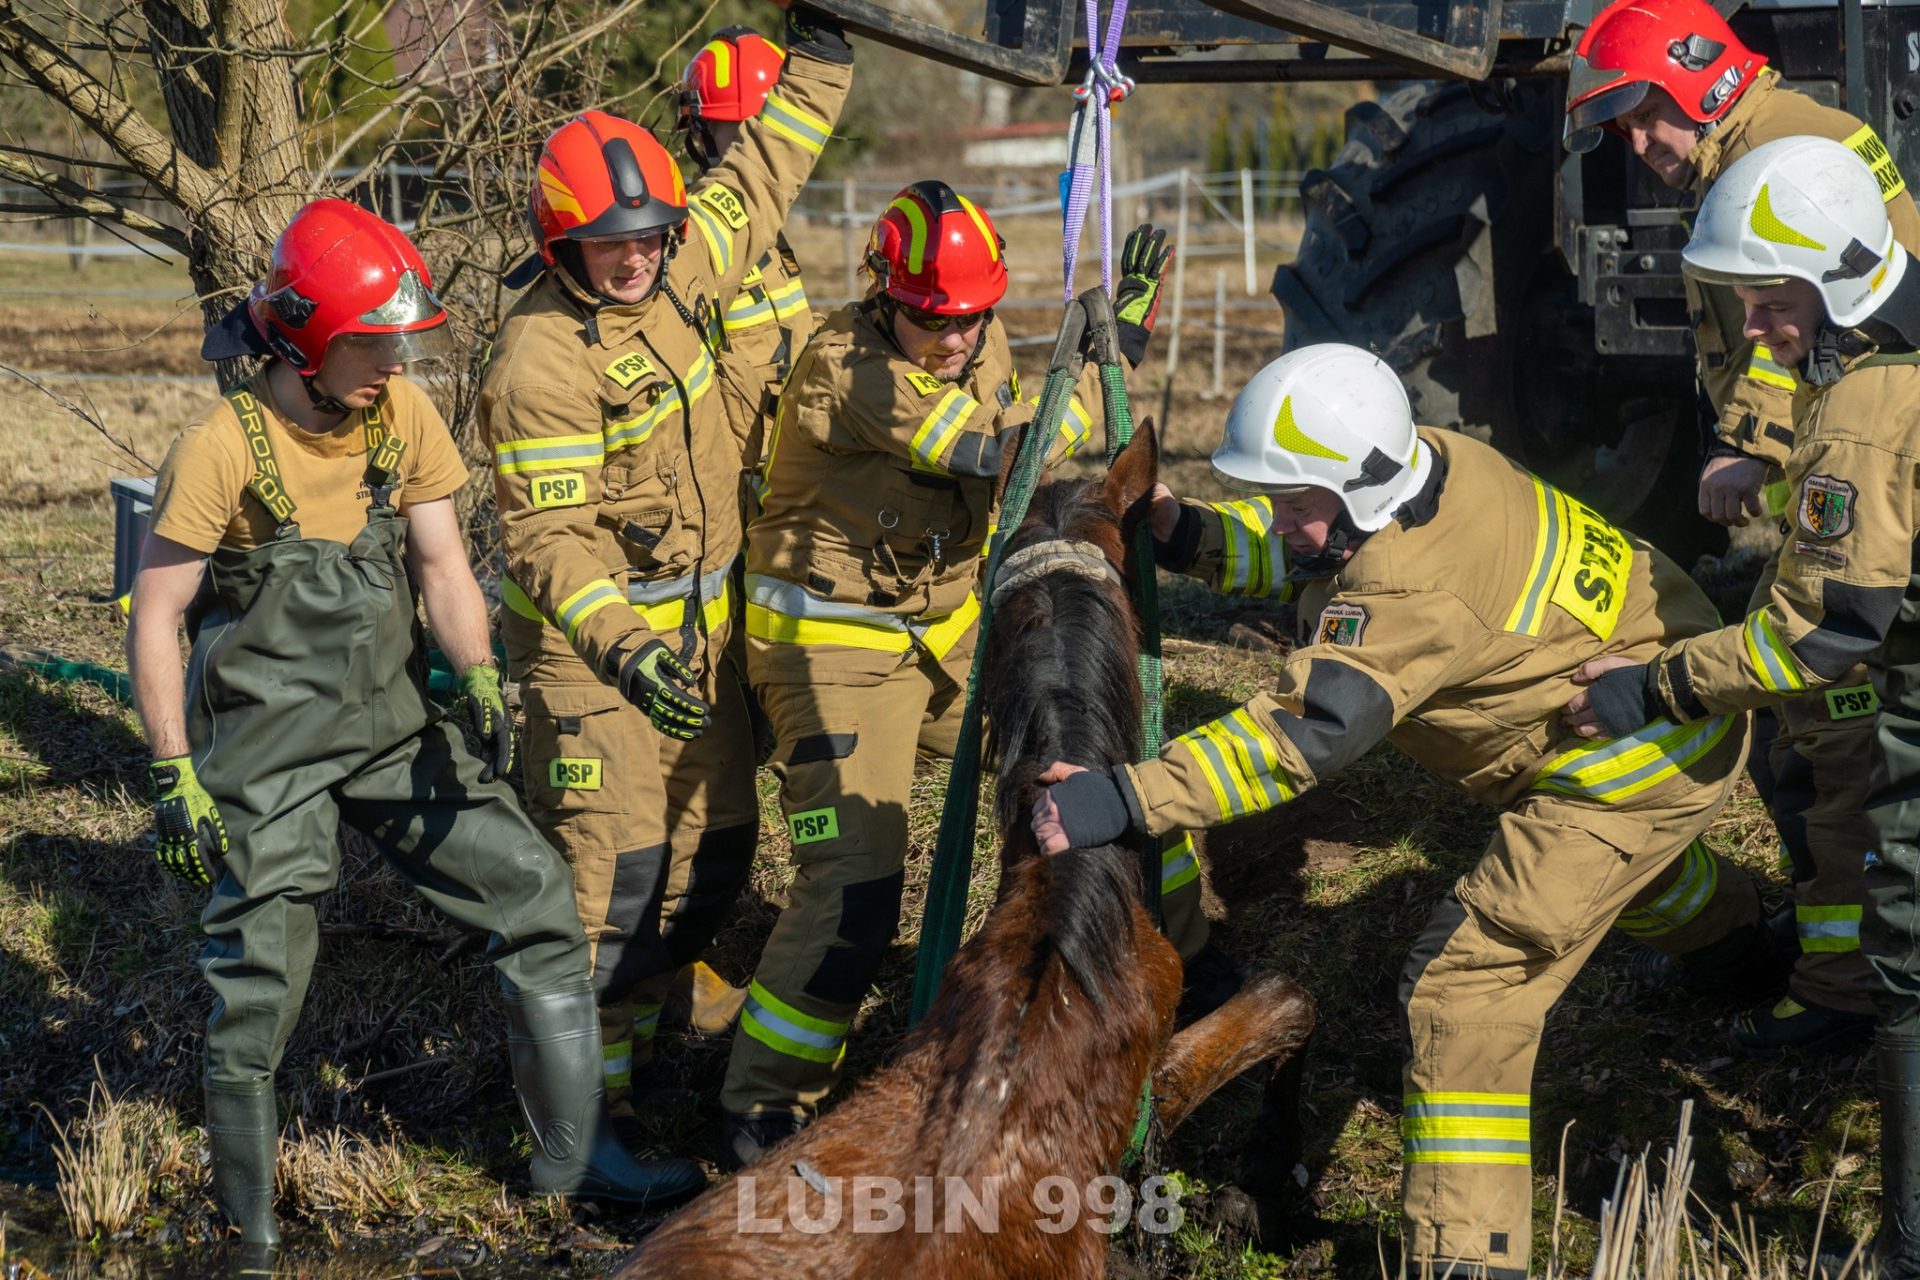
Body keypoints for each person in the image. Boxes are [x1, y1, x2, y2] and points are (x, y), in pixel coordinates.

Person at [1028, 343, 1780, 1280]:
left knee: (1464, 990)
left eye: (1294, 503)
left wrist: (1125, 795)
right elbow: (1325, 560)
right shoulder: (1426, 460)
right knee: (1626, 873)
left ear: (1360, 492)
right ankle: (1743, 950)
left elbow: (1302, 734)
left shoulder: (1418, 588)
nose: (1281, 519)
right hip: (1650, 691)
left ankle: (1468, 1255)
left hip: (1629, 760)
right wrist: (1191, 535)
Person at [127, 200, 703, 1246]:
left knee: (531, 890)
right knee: (260, 986)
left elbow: (441, 565)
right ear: (304, 341)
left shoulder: (402, 415)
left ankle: (575, 1172)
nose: (395, 361)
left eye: (401, 341)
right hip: (266, 757)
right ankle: (248, 1237)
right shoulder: (220, 446)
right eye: (372, 342)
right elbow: (159, 614)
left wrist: (478, 677)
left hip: (394, 730)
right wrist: (175, 768)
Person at [720, 179, 1179, 1170]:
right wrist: (1107, 364)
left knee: (1062, 783)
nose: (958, 340)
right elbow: (996, 452)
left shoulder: (983, 338)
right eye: (934, 320)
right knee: (855, 883)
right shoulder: (847, 365)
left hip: (946, 631)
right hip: (833, 646)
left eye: (974, 317)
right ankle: (760, 1103)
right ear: (885, 297)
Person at [478, 7, 853, 1132]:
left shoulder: (682, 257)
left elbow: (766, 160)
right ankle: (569, 1137)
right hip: (596, 660)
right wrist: (627, 646)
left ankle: (635, 1072)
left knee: (711, 860)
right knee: (610, 892)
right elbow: (550, 541)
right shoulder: (539, 362)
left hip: (697, 643)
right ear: (563, 246)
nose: (638, 259)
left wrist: (826, 51)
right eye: (612, 245)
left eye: (650, 237)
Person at [1565, 135, 1920, 1277]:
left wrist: (1650, 684)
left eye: (1767, 303)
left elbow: (1824, 633)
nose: (1755, 332)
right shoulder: (1883, 352)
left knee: (1910, 955)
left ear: (1832, 279)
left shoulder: (1866, 406)